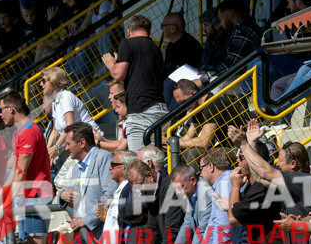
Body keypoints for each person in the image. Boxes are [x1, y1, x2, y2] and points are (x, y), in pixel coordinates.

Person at [0, 93, 58, 244]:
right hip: (27, 196)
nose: (0, 114)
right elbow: (16, 168)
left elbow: (20, 172)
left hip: (36, 195)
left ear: (12, 109)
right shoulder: (20, 132)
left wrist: (5, 200)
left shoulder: (28, 131)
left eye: (1, 109)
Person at [101, 15, 167, 152]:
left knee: (139, 164)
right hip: (160, 109)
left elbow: (118, 75)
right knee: (156, 158)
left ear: (129, 32)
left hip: (141, 111)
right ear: (149, 31)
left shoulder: (127, 43)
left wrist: (111, 64)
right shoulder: (155, 49)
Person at [40, 67, 99, 161]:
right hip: (78, 144)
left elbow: (70, 126)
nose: (41, 84)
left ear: (54, 81)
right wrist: (47, 150)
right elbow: (55, 130)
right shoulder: (56, 101)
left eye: (44, 81)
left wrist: (55, 147)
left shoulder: (65, 97)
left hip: (91, 143)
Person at [161, 12, 204, 108]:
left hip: (186, 83)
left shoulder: (189, 44)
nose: (161, 29)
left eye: (163, 26)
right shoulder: (170, 46)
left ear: (173, 28)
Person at [212, 0, 260, 76]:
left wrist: (205, 78)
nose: (220, 24)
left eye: (221, 20)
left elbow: (230, 65)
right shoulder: (244, 28)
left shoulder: (243, 32)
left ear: (230, 15)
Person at [198, 9, 229, 74]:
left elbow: (225, 66)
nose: (204, 29)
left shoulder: (227, 41)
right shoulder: (210, 40)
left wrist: (207, 72)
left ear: (217, 25)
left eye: (206, 25)